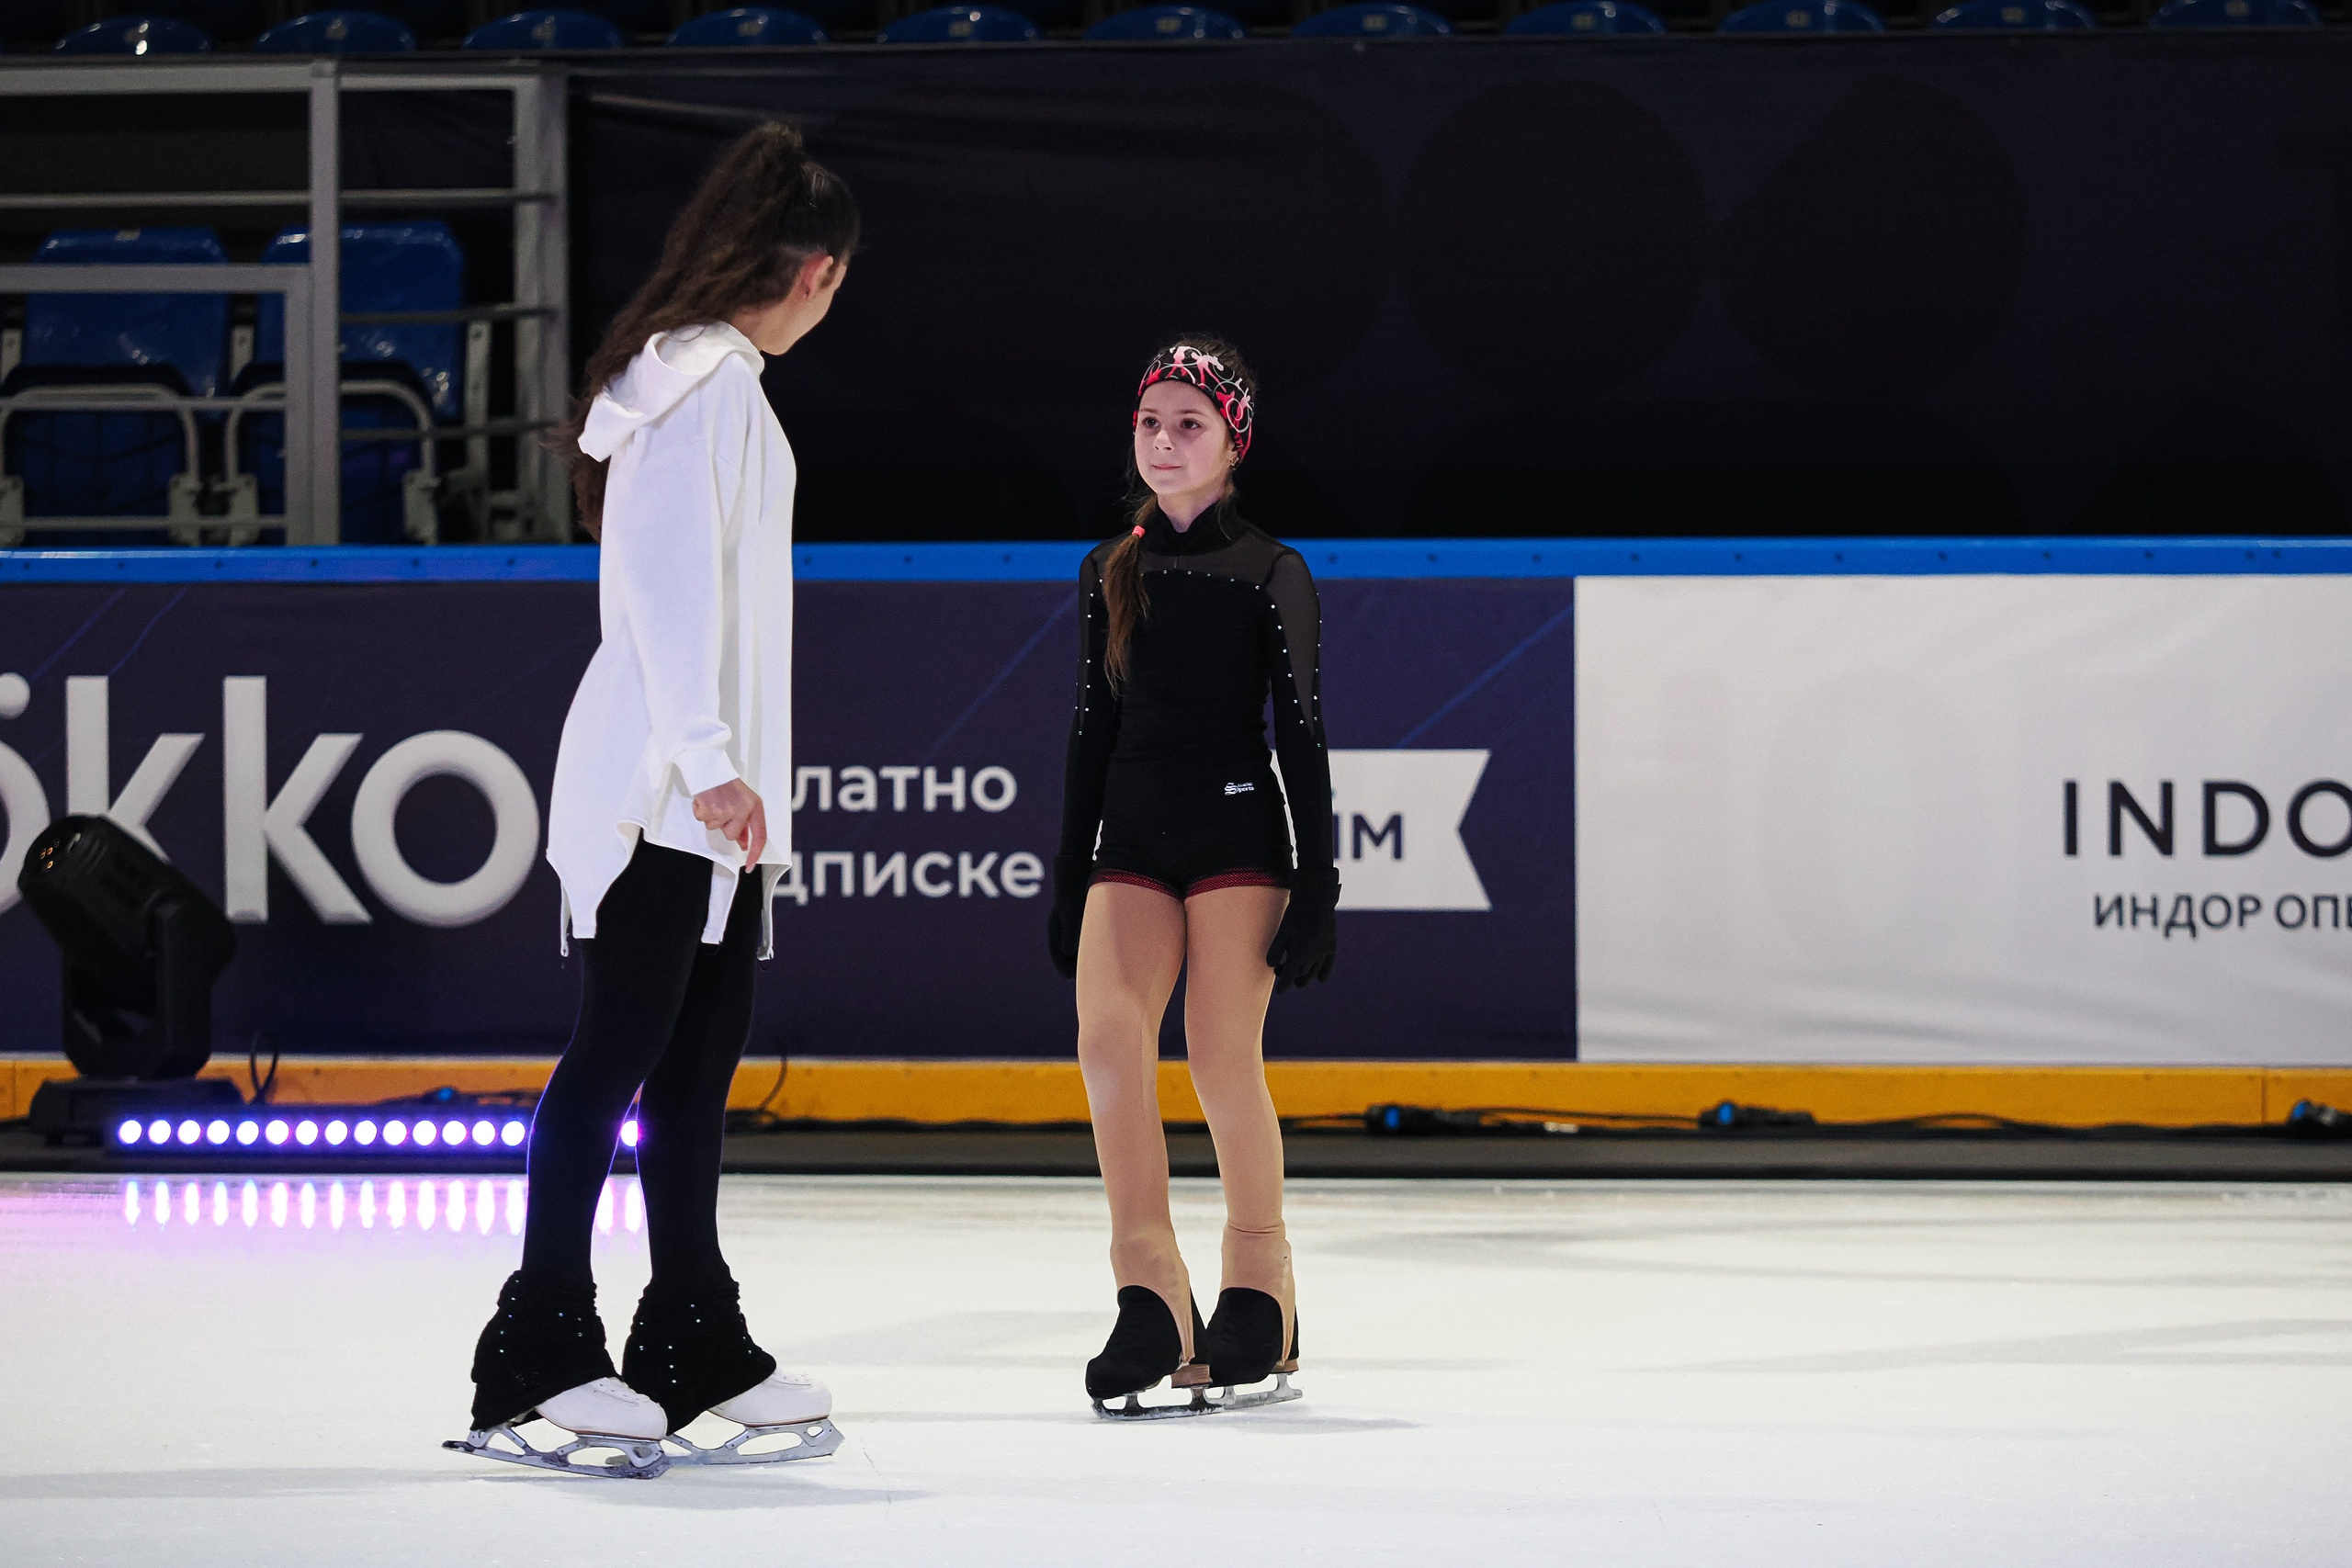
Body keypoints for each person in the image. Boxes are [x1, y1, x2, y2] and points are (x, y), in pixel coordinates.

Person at [448, 123, 857, 1478]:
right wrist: (712, 759)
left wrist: (726, 774)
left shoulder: (696, 380)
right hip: (663, 793)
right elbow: (672, 590)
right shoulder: (704, 389)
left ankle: (690, 1331)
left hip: (701, 798)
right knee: (617, 1054)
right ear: (814, 272)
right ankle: (538, 1343)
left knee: (690, 1069)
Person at [1050, 337, 1340, 1416]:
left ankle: (1260, 1281)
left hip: (1235, 840)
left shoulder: (1271, 571)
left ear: (1231, 443)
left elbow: (1302, 735)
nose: (1163, 441)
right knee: (1108, 1042)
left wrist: (1318, 883)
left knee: (1219, 1056)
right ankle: (1151, 1294)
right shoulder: (1109, 567)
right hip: (1130, 841)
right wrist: (1066, 874)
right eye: (1149, 423)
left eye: (1188, 425)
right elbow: (1092, 728)